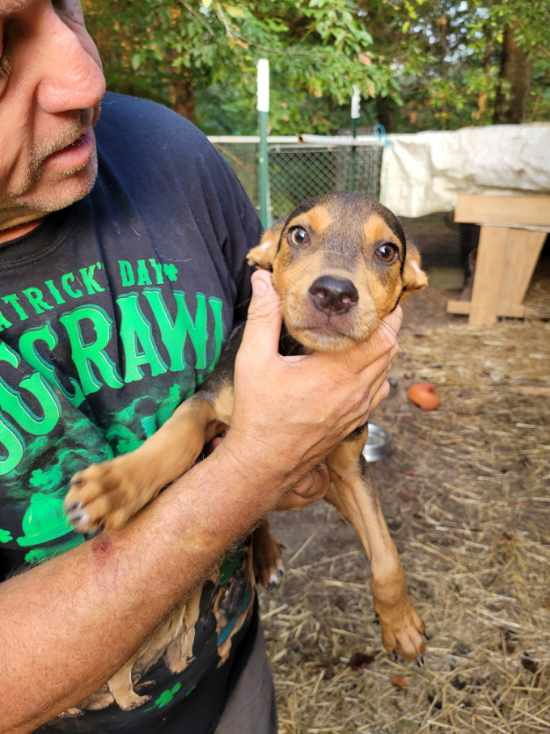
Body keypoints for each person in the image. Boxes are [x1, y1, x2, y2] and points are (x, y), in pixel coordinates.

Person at [0, 1, 401, 732]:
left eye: (66, 6)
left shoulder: (171, 152)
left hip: (233, 680)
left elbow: (247, 372)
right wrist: (253, 470)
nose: (86, 80)